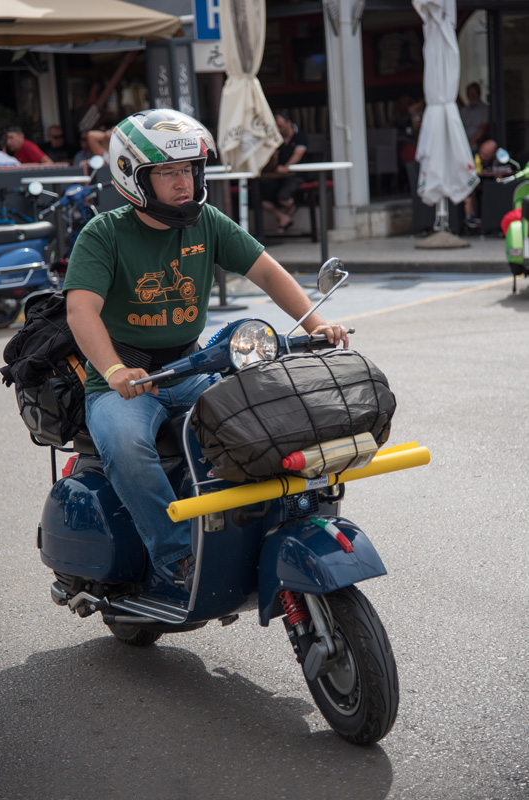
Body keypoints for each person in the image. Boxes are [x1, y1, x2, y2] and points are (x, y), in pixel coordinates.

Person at [63, 108, 348, 592]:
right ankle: (175, 556)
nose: (183, 183)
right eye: (168, 173)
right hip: (124, 384)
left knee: (265, 418)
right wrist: (112, 369)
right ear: (133, 176)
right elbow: (81, 311)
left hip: (189, 367)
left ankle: (260, 526)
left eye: (189, 171)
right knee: (129, 450)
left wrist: (317, 324)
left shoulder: (207, 223)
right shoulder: (104, 234)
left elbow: (266, 271)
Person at [260, 110, 308, 234]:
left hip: (296, 175)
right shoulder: (276, 140)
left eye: (280, 126)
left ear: (289, 123)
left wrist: (286, 167)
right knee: (261, 197)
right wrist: (274, 159)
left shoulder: (300, 136)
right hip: (278, 176)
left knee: (284, 197)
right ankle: (284, 218)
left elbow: (298, 154)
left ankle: (284, 219)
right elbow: (271, 164)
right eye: (276, 127)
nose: (279, 129)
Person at [463, 138, 499, 228]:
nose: (483, 156)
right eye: (482, 152)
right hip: (473, 184)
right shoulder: (472, 156)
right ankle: (471, 219)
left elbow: (498, 178)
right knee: (471, 194)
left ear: (492, 154)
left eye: (487, 155)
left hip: (488, 186)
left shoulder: (496, 160)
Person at [460, 83, 489, 154]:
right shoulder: (464, 111)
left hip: (478, 142)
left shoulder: (484, 109)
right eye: (470, 94)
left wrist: (471, 141)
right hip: (463, 141)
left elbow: (483, 128)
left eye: (474, 94)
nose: (472, 96)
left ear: (479, 94)